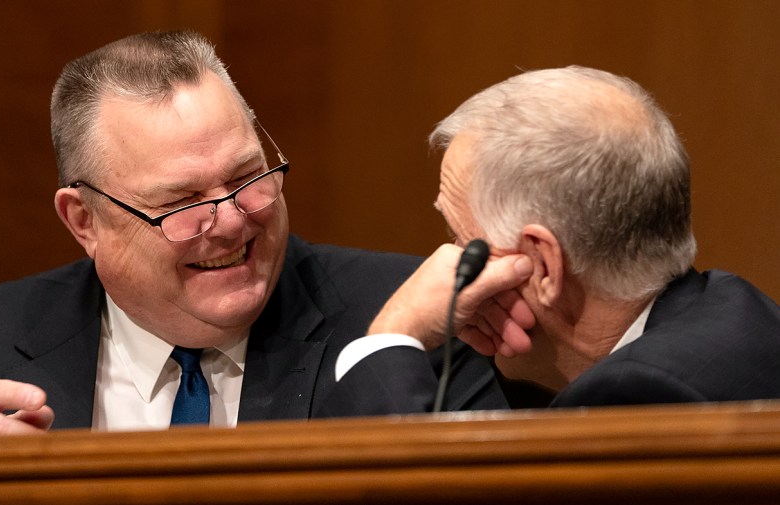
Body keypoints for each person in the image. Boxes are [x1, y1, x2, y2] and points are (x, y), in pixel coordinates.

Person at [0, 30, 509, 436]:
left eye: (246, 177)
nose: (234, 220)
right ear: (84, 220)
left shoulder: (412, 324)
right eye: (181, 203)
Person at [319, 66, 780, 416]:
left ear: (541, 266)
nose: (448, 264)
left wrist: (389, 337)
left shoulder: (635, 397)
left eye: (464, 243)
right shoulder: (740, 313)